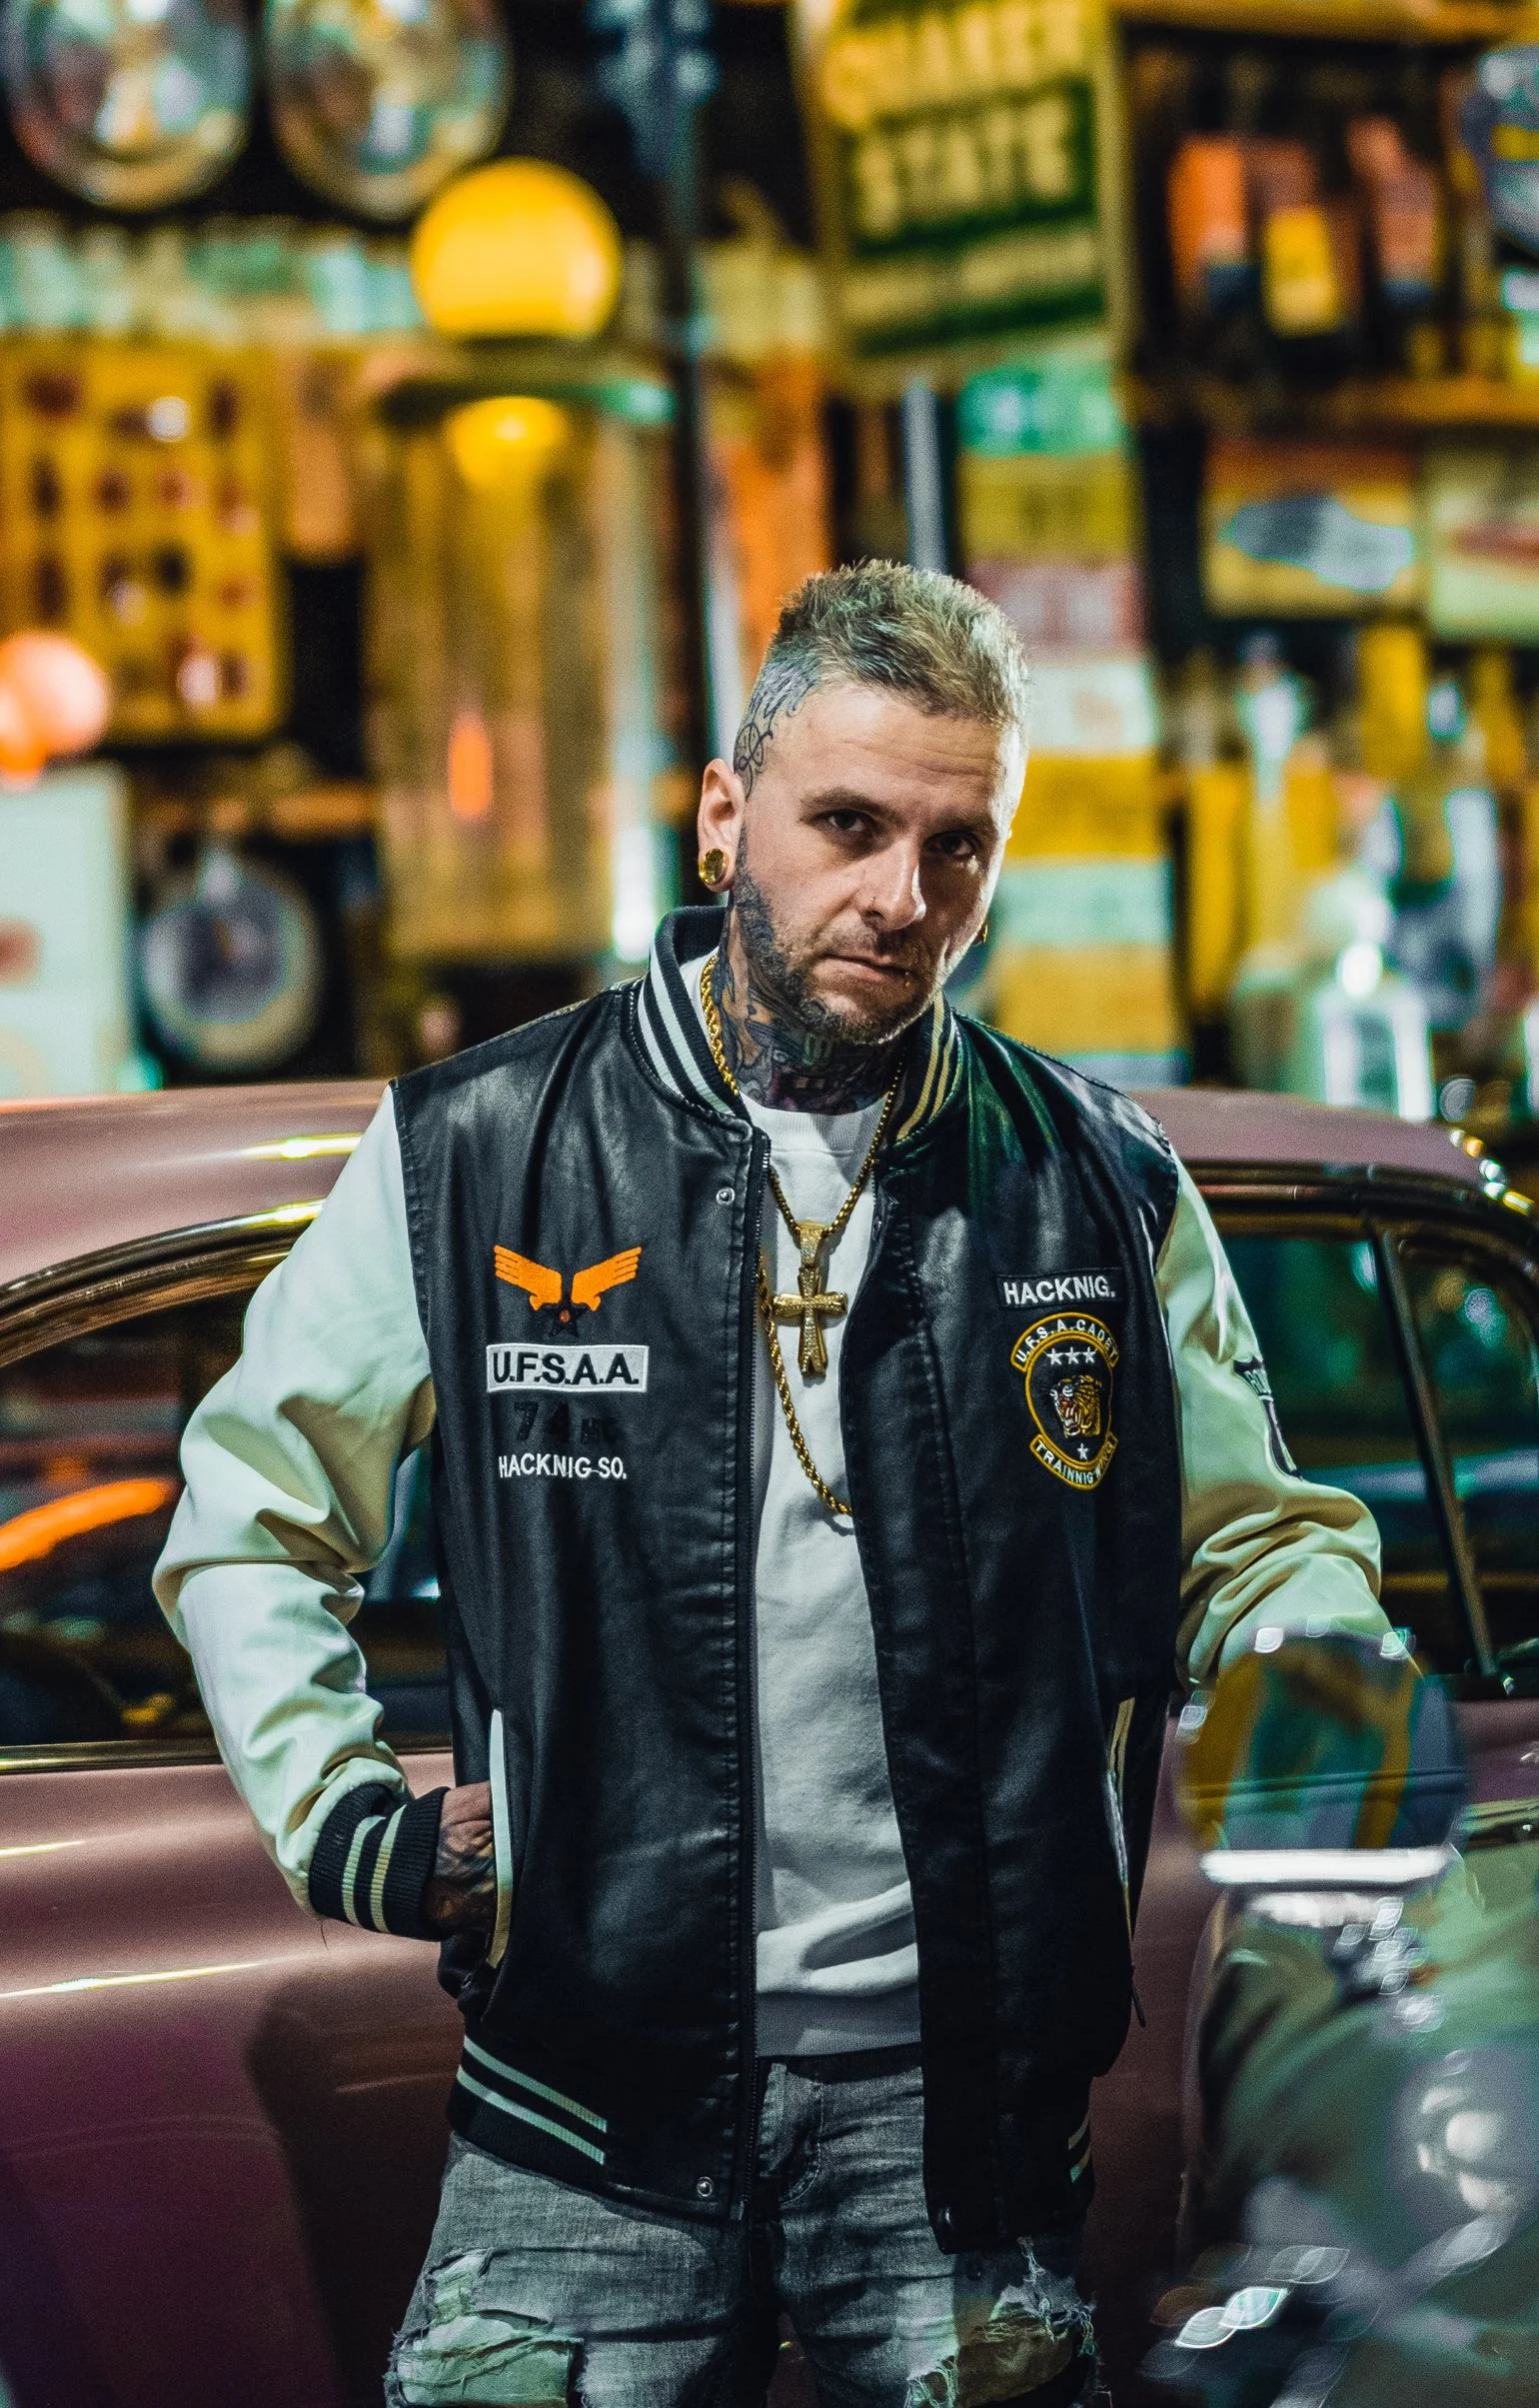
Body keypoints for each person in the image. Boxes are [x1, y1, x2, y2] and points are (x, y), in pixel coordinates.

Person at [155, 564, 1387, 2408]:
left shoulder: (1097, 1185)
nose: (901, 898)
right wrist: (355, 1823)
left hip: (960, 2144)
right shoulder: (481, 1151)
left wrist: (1342, 1731)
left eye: (958, 848)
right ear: (727, 813)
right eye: (850, 825)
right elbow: (253, 1509)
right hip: (581, 2127)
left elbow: (1257, 1540)